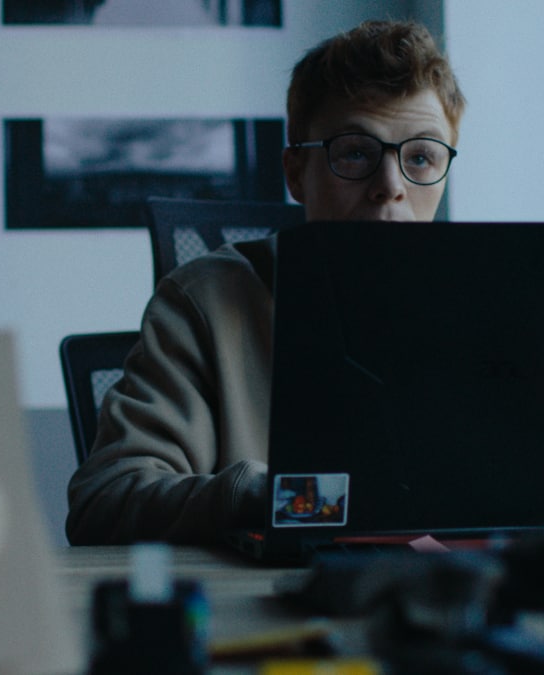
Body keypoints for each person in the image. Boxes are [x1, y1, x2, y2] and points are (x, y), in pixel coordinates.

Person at [66, 19, 466, 544]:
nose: (390, 186)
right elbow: (106, 499)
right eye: (355, 153)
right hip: (277, 591)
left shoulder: (484, 308)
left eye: (421, 157)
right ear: (296, 173)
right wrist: (290, 499)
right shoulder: (205, 301)